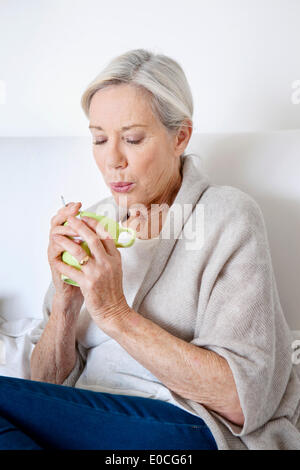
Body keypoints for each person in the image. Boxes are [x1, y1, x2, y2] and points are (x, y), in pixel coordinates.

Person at [0, 49, 299, 450]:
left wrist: (113, 313)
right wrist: (67, 303)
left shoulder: (228, 216)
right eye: (99, 139)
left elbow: (242, 401)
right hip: (90, 420)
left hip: (188, 428)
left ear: (180, 136)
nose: (112, 160)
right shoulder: (94, 222)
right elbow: (47, 390)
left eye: (133, 139)